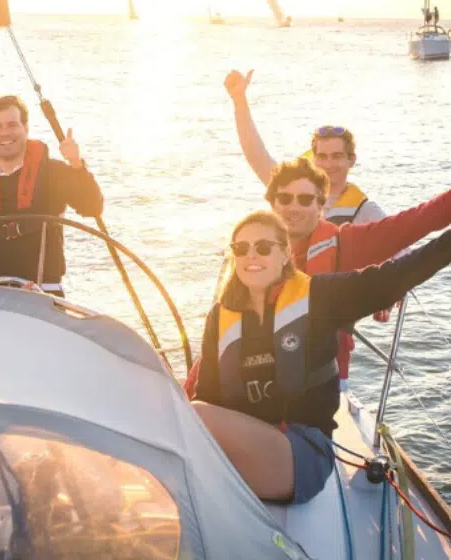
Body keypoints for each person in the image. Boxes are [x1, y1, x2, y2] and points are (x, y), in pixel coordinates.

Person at [191, 209, 451, 505]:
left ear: (285, 254)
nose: (251, 255)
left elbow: (392, 278)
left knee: (194, 415)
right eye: (241, 248)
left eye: (263, 247)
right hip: (241, 447)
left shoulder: (319, 297)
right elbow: (209, 394)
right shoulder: (220, 317)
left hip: (300, 453)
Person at [184, 157, 451, 394]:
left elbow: (419, 220)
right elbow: (222, 334)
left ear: (321, 205)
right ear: (272, 204)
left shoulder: (346, 245)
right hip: (247, 385)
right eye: (284, 198)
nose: (293, 207)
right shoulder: (247, 254)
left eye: (305, 199)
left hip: (314, 390)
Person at [0, 95, 104, 296]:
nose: (5, 133)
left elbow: (92, 207)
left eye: (12, 125)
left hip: (45, 292)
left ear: (26, 128)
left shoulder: (53, 172)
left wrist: (76, 163)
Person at [224, 69, 385, 225]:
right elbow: (255, 154)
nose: (329, 164)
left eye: (337, 156)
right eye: (322, 156)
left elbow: (397, 239)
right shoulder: (289, 191)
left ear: (351, 160)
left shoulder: (367, 212)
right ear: (314, 160)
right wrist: (239, 100)